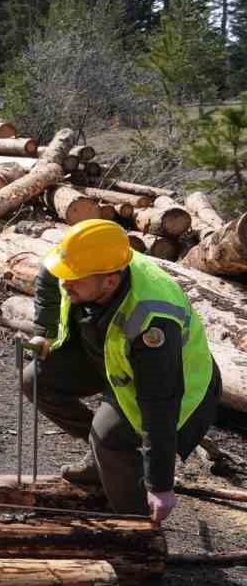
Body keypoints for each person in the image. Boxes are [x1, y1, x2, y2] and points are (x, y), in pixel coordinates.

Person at [21, 219, 220, 523]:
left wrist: (161, 485)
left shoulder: (151, 320)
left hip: (176, 385)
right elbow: (50, 275)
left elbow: (160, 403)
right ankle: (104, 459)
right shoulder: (88, 261)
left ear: (110, 282)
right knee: (35, 379)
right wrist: (44, 331)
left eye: (73, 280)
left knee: (110, 435)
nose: (65, 283)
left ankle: (137, 533)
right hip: (111, 358)